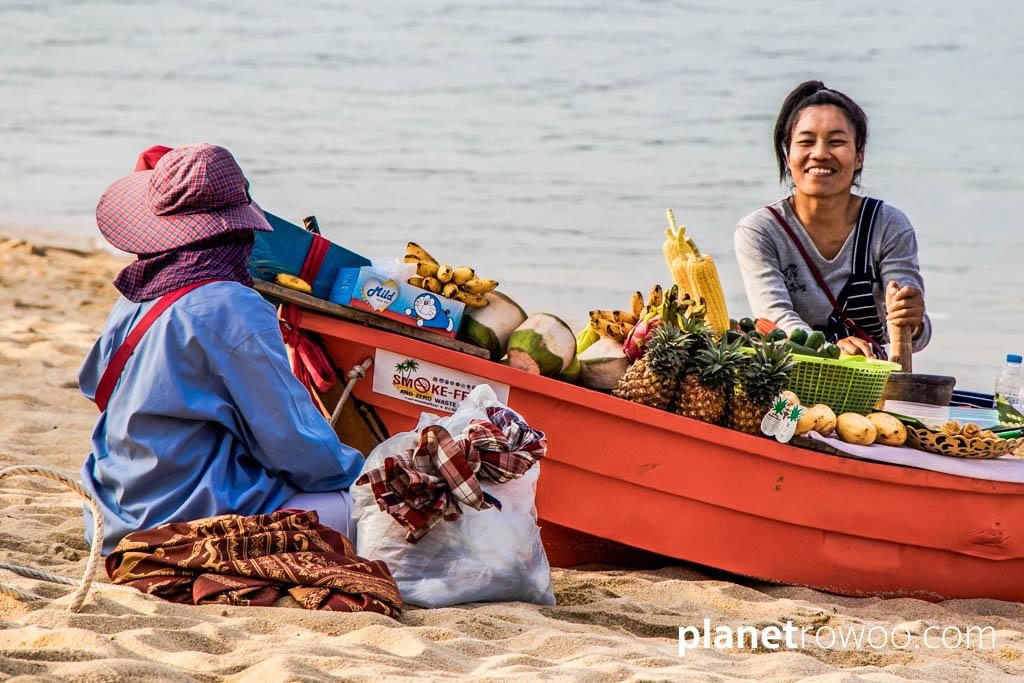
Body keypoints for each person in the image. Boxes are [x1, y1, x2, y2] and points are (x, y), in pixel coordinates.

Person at [78, 143, 363, 554]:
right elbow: (295, 445)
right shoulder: (233, 305)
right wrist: (364, 473)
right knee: (369, 511)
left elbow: (93, 384)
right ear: (238, 229)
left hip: (112, 509)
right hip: (180, 517)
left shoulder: (138, 293)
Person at [734, 80, 930, 358]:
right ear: (787, 155)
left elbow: (913, 336)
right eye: (805, 142)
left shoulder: (888, 225)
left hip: (870, 384)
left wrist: (913, 321)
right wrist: (831, 351)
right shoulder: (761, 230)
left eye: (837, 142)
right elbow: (775, 319)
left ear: (859, 155)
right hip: (790, 382)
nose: (820, 154)